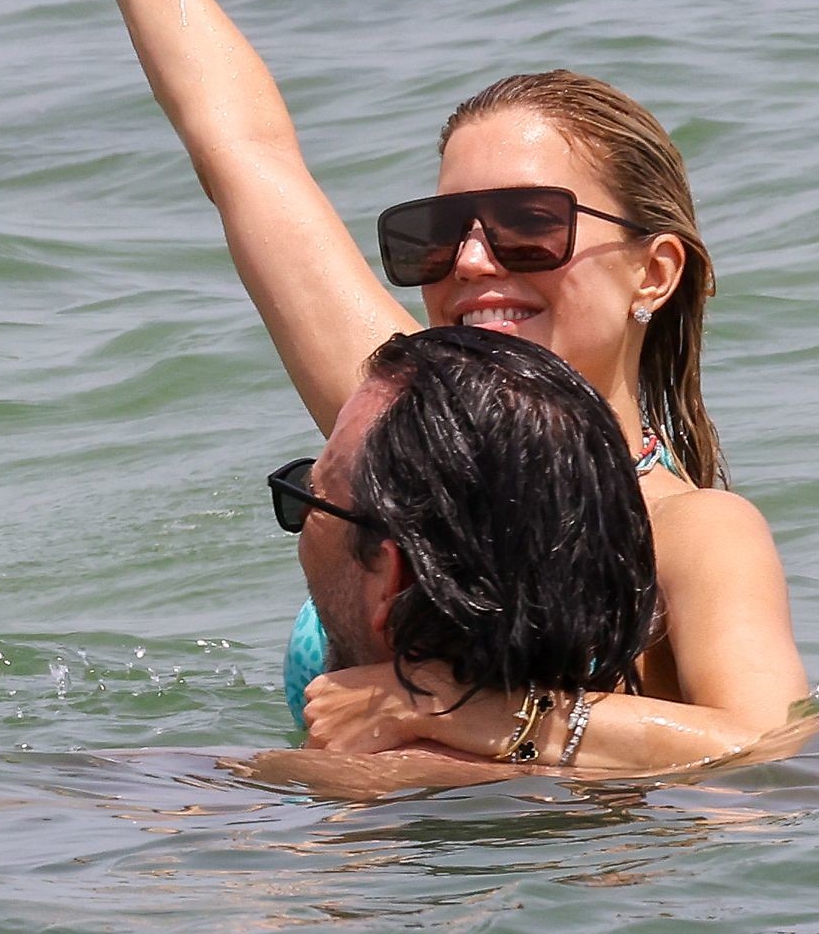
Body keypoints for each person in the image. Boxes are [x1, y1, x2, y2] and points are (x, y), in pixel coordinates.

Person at [0, 0, 809, 773]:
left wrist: (471, 716)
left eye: (528, 226)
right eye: (439, 232)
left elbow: (772, 753)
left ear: (654, 270)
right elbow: (243, 152)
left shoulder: (694, 535)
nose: (473, 263)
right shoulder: (403, 424)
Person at [266, 325, 660, 777]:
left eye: (311, 499)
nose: (302, 522)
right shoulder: (648, 765)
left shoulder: (275, 802)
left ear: (390, 579)